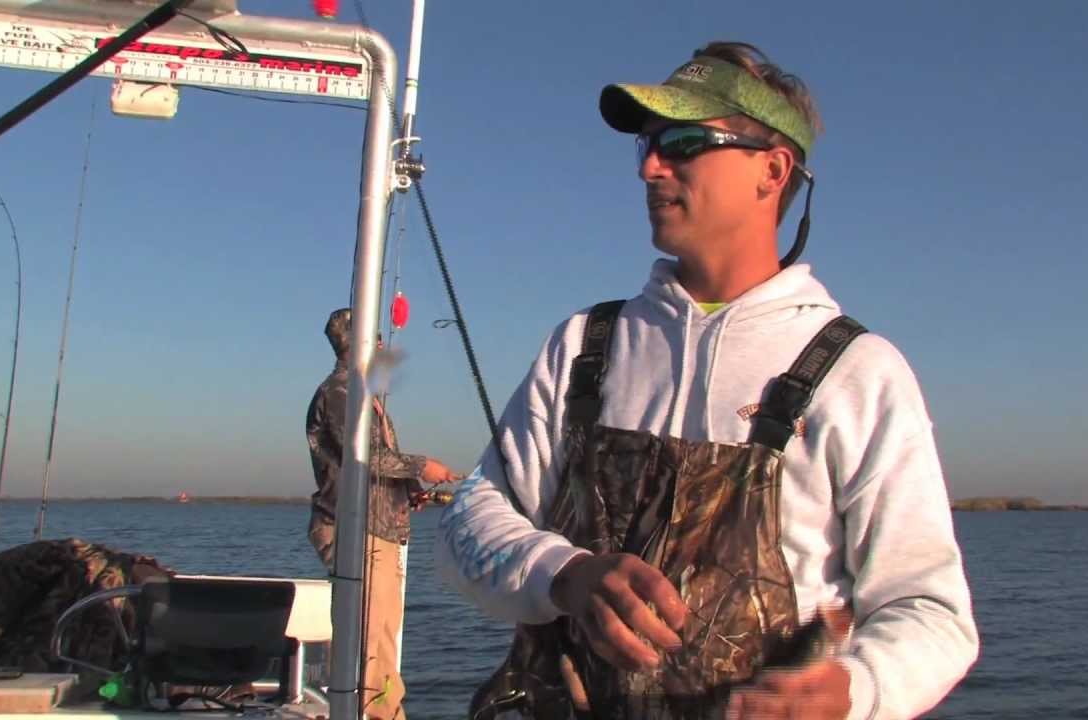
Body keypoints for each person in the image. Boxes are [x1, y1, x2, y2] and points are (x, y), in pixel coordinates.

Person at [435, 41, 978, 720]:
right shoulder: (581, 346)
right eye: (648, 146)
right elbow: (467, 523)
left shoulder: (860, 372)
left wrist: (855, 689)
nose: (651, 168)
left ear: (773, 170)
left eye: (684, 143)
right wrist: (566, 574)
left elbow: (931, 611)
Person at [306, 307, 456, 720]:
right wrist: (423, 466)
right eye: (373, 339)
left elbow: (374, 467)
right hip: (357, 532)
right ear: (353, 344)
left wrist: (408, 492)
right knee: (370, 642)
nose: (382, 345)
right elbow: (367, 456)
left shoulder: (361, 395)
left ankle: (388, 713)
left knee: (384, 640)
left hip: (380, 532)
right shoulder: (340, 394)